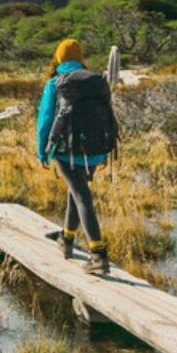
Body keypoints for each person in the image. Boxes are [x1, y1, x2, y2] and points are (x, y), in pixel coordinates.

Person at [34, 38, 118, 275]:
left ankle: (98, 254)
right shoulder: (96, 81)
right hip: (96, 150)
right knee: (76, 190)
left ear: (59, 58)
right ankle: (67, 239)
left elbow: (45, 121)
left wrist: (42, 152)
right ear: (80, 58)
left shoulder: (55, 83)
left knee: (81, 195)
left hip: (66, 150)